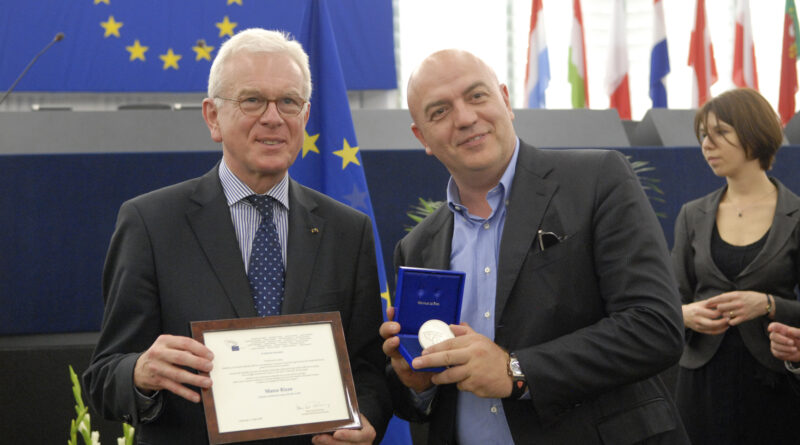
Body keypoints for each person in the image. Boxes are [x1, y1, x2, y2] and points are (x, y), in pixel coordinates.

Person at [83, 28, 391, 445]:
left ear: (305, 114)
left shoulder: (348, 230)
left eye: (288, 101)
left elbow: (369, 369)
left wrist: (367, 419)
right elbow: (104, 377)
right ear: (213, 116)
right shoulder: (150, 223)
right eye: (252, 100)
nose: (273, 117)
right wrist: (139, 373)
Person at [379, 48, 688, 444]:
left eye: (477, 96)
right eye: (439, 111)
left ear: (505, 101)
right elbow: (420, 403)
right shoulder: (417, 247)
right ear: (421, 136)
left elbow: (655, 327)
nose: (466, 118)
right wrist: (418, 383)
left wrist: (516, 370)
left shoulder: (596, 181)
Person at [672, 87, 800, 444]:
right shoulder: (691, 216)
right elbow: (669, 301)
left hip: (775, 383)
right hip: (701, 384)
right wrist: (686, 314)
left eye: (720, 133)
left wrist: (769, 304)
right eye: (703, 136)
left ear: (755, 134)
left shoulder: (796, 216)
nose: (707, 145)